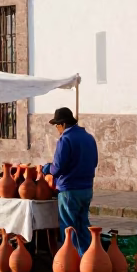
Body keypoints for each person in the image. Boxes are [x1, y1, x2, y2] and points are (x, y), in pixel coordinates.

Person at [41, 107, 99, 254]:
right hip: (86, 189)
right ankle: (87, 260)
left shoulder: (65, 139)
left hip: (69, 190)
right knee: (83, 226)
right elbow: (95, 162)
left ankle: (72, 262)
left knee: (69, 229)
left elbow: (58, 168)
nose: (57, 129)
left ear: (63, 124)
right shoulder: (89, 137)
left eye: (57, 125)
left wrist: (47, 168)